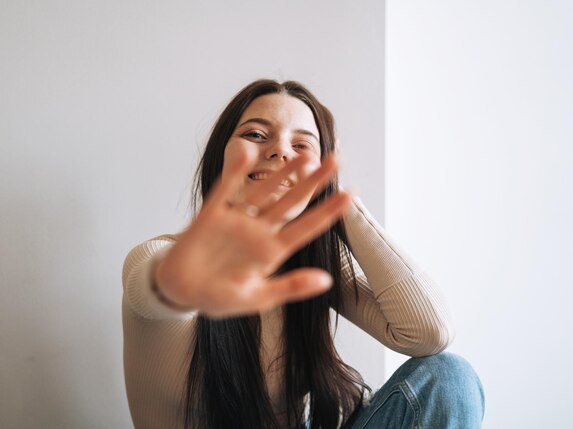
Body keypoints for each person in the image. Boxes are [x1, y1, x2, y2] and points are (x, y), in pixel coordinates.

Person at [122, 79, 485, 429]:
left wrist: (338, 199)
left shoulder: (313, 265)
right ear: (221, 154)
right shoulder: (157, 255)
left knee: (449, 377)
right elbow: (157, 286)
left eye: (303, 146)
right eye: (255, 134)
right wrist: (193, 275)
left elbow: (429, 333)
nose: (280, 151)